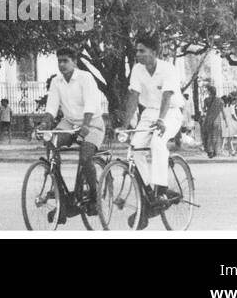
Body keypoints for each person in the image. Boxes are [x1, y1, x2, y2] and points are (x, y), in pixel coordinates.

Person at [119, 33, 183, 227]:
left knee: (157, 142)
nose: (138, 54)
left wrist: (162, 120)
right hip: (149, 113)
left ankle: (161, 189)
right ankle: (149, 193)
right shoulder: (137, 69)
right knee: (135, 148)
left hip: (170, 112)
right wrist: (125, 124)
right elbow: (133, 97)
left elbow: (167, 96)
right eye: (136, 51)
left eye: (142, 51)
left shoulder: (168, 69)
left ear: (154, 52)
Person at [41, 47, 105, 214]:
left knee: (85, 157)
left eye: (65, 61)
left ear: (74, 62)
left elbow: (91, 103)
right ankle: (58, 191)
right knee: (51, 143)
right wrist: (44, 124)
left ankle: (94, 194)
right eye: (59, 61)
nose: (62, 64)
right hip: (69, 123)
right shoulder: (56, 81)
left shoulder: (85, 78)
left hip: (92, 123)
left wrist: (85, 125)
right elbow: (52, 107)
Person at [201, 87, 226, 158]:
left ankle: (210, 151)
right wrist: (225, 120)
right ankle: (216, 150)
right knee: (216, 135)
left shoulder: (206, 100)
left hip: (208, 119)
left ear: (209, 92)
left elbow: (204, 110)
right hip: (217, 120)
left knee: (209, 135)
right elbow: (222, 111)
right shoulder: (220, 100)